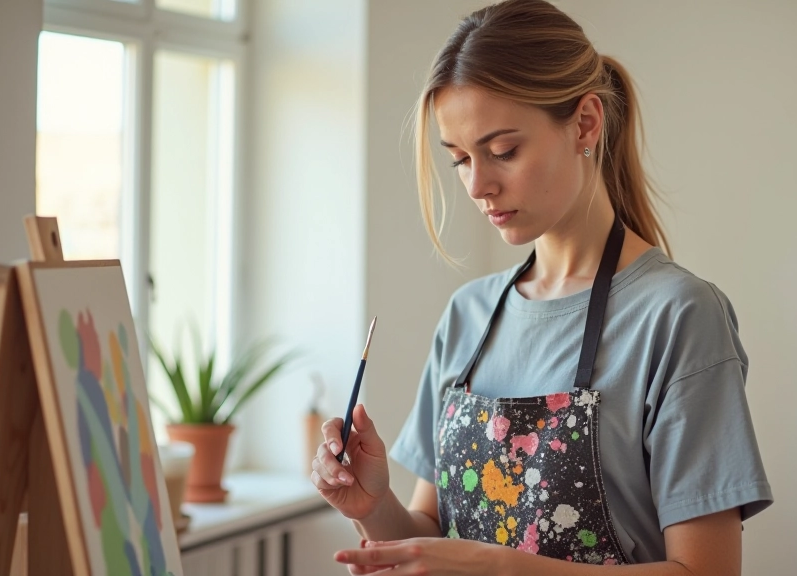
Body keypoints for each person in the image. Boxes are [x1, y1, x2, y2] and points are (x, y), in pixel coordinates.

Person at [311, 1, 773, 574]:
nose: (478, 185)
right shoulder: (468, 315)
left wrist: (499, 567)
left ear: (585, 123)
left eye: (503, 151)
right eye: (459, 159)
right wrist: (374, 506)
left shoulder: (678, 316)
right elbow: (431, 534)